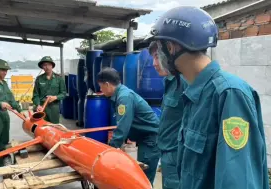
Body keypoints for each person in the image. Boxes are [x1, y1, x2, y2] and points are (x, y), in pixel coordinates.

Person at [145, 6, 268, 189]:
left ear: (171, 48)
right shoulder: (194, 93)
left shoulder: (229, 93)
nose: (156, 60)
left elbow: (237, 181)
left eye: (159, 51)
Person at [97, 67, 160, 186]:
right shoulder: (120, 94)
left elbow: (122, 127)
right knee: (140, 175)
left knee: (144, 178)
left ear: (107, 84)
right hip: (144, 138)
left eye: (101, 86)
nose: (100, 89)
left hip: (150, 139)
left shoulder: (124, 97)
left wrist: (110, 150)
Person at [148, 41, 187, 189]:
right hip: (167, 155)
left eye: (157, 57)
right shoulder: (171, 82)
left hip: (177, 157)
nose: (154, 63)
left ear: (170, 53)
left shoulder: (184, 82)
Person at [32, 56, 66, 123]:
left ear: (52, 66)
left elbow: (63, 93)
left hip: (54, 108)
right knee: (42, 127)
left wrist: (55, 97)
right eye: (44, 65)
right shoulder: (39, 79)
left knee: (54, 128)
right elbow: (35, 95)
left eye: (49, 65)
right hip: (41, 108)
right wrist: (38, 105)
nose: (47, 67)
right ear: (42, 67)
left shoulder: (59, 78)